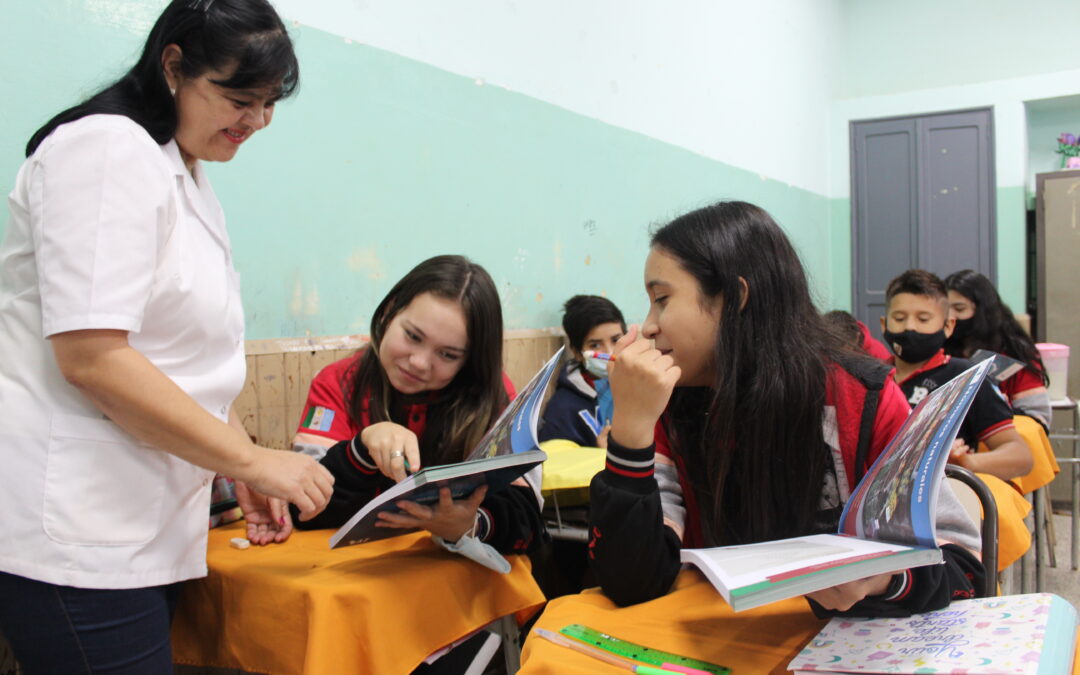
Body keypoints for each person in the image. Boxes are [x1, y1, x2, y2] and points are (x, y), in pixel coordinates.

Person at [0, 1, 334, 672]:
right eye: (240, 99)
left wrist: (235, 462)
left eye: (269, 103)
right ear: (173, 66)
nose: (257, 121)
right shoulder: (103, 149)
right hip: (78, 531)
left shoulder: (180, 168)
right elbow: (93, 358)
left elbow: (186, 361)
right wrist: (253, 462)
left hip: (140, 526)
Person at [588, 201, 985, 616]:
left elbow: (963, 569)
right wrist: (630, 429)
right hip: (720, 636)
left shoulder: (863, 397)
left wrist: (884, 579)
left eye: (662, 299)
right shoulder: (670, 406)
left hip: (842, 640)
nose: (649, 325)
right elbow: (630, 583)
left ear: (735, 298)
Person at [289, 255, 543, 561]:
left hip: (455, 580)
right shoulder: (337, 383)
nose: (420, 362)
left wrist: (470, 525)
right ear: (388, 312)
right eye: (412, 336)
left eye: (448, 355)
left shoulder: (491, 396)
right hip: (347, 577)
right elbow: (301, 508)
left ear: (469, 360)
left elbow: (529, 521)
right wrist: (361, 451)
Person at [883, 270, 1033, 481]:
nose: (909, 327)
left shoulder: (967, 378)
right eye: (899, 318)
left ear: (948, 326)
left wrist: (966, 463)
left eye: (923, 319)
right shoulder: (871, 378)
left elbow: (1020, 456)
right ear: (884, 324)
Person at [944, 269, 1051, 429]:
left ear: (982, 311)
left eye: (959, 309)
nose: (951, 316)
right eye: (945, 310)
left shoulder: (1013, 352)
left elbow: (1039, 418)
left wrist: (999, 410)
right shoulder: (938, 349)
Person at [539, 294, 626, 447]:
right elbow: (557, 459)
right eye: (595, 345)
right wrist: (599, 453)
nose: (609, 352)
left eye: (616, 340)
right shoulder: (562, 409)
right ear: (577, 353)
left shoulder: (642, 387)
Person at [823, 309, 892, 361]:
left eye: (846, 349)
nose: (839, 355)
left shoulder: (878, 353)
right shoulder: (822, 345)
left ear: (857, 336)